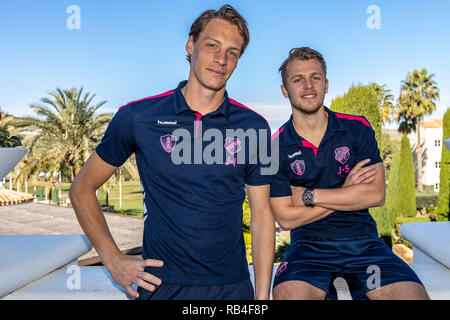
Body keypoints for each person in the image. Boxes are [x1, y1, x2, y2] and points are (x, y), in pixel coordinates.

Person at [69, 5, 275, 300]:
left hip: (233, 288)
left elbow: (262, 214)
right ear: (191, 44)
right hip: (161, 287)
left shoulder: (255, 126)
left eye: (233, 52)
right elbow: (81, 189)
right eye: (212, 45)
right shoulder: (138, 117)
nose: (221, 59)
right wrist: (113, 260)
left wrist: (262, 297)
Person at [269, 47, 429, 300]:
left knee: (411, 295)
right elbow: (286, 219)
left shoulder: (356, 128)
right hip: (308, 250)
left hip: (364, 245)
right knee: (289, 294)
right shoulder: (275, 147)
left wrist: (308, 196)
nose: (308, 85)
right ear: (285, 90)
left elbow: (375, 195)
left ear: (326, 83)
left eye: (316, 77)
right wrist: (347, 192)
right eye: (298, 79)